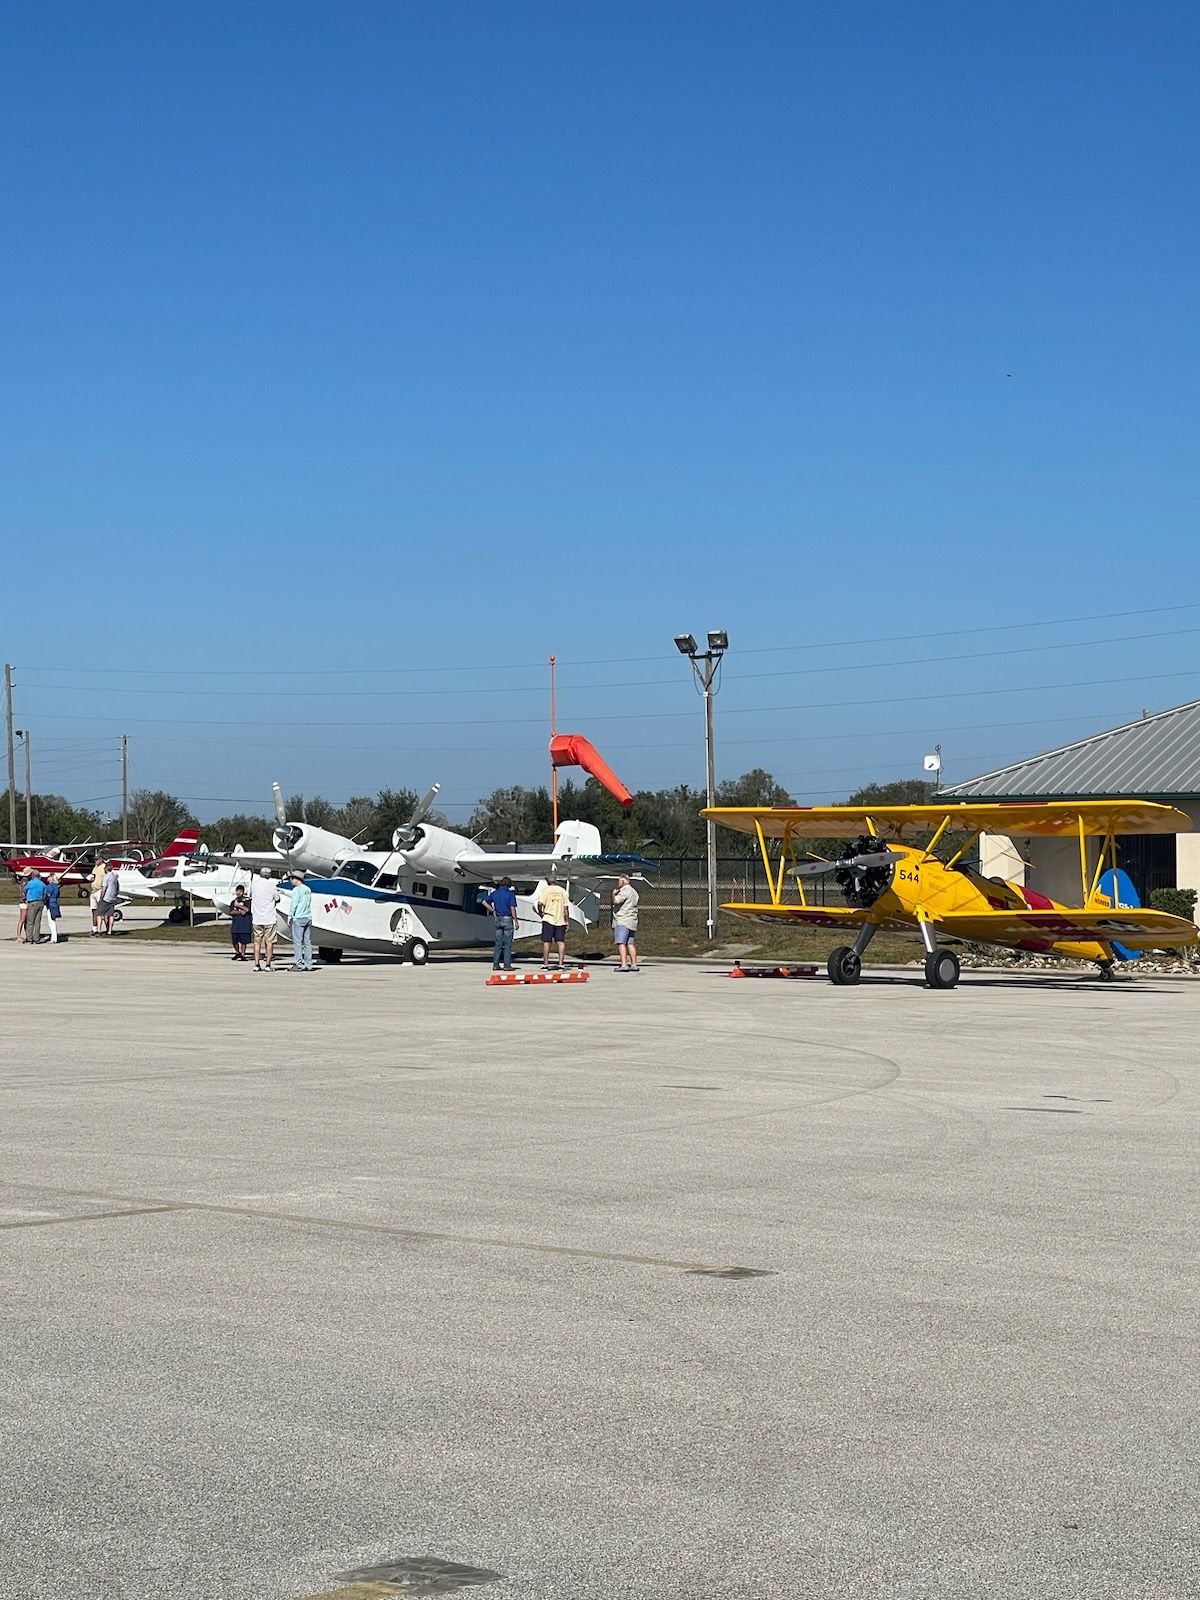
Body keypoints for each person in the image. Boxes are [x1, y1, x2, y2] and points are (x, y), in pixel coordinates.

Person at [483, 876, 518, 971]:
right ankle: (507, 965)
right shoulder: (510, 894)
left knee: (498, 943)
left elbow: (484, 902)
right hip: (507, 919)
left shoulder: (495, 893)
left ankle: (495, 964)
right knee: (507, 944)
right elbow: (512, 908)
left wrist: (492, 910)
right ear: (509, 885)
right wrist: (516, 921)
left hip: (498, 919)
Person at [536, 877, 571, 969]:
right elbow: (566, 908)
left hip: (548, 918)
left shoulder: (546, 890)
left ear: (548, 882)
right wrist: (567, 921)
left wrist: (541, 913)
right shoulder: (562, 891)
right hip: (560, 919)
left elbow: (540, 904)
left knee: (547, 941)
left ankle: (545, 964)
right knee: (560, 942)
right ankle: (561, 963)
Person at [250, 868, 280, 971]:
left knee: (257, 942)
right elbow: (277, 898)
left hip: (257, 918)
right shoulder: (272, 885)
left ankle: (256, 964)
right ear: (269, 875)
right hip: (269, 918)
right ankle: (268, 964)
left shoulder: (254, 885)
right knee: (269, 942)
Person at [612, 874, 640, 972]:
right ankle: (634, 964)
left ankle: (624, 964)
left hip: (622, 920)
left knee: (621, 942)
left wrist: (614, 894)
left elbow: (617, 901)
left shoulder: (624, 891)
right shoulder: (634, 891)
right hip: (632, 920)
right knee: (630, 943)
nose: (618, 883)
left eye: (619, 881)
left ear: (623, 882)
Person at [288, 870, 314, 972]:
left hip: (298, 918)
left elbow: (294, 903)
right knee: (307, 942)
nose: (291, 881)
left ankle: (298, 963)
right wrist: (284, 893)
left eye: (292, 878)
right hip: (308, 917)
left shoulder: (296, 890)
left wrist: (290, 916)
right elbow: (301, 898)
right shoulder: (307, 889)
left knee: (298, 942)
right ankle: (308, 964)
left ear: (297, 879)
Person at [229, 883, 252, 961]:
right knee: (235, 940)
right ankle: (237, 952)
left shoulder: (247, 900)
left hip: (244, 924)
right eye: (237, 891)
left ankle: (243, 954)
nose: (238, 893)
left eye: (240, 891)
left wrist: (238, 906)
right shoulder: (233, 902)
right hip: (236, 924)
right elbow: (231, 912)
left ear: (243, 892)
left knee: (243, 941)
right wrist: (240, 912)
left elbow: (247, 910)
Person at [96, 862, 121, 935]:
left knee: (99, 914)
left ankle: (98, 930)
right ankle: (109, 931)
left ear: (106, 869)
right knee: (111, 915)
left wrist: (101, 897)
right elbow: (118, 887)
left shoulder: (106, 877)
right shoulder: (115, 877)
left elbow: (104, 888)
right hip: (113, 897)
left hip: (106, 897)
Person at [23, 870, 47, 945]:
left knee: (30, 921)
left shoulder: (31, 883)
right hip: (40, 902)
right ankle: (37, 938)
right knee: (37, 922)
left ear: (32, 876)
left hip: (32, 902)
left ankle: (29, 938)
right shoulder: (42, 884)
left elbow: (25, 890)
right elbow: (45, 893)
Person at [90, 858, 107, 934]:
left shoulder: (104, 867)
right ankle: (94, 928)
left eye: (97, 859)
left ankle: (107, 928)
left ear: (101, 859)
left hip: (100, 890)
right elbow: (93, 876)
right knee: (94, 910)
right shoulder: (95, 867)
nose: (95, 860)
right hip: (93, 890)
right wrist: (91, 878)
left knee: (102, 911)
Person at [14, 870, 31, 943]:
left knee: (25, 920)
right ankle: (18, 936)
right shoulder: (25, 881)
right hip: (24, 902)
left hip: (25, 902)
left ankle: (27, 935)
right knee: (22, 919)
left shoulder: (26, 881)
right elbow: (24, 893)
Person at [45, 876, 62, 944]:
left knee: (51, 922)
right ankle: (54, 937)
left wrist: (44, 901)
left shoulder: (50, 886)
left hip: (51, 904)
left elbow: (47, 895)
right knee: (53, 921)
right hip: (55, 903)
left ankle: (54, 938)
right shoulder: (56, 887)